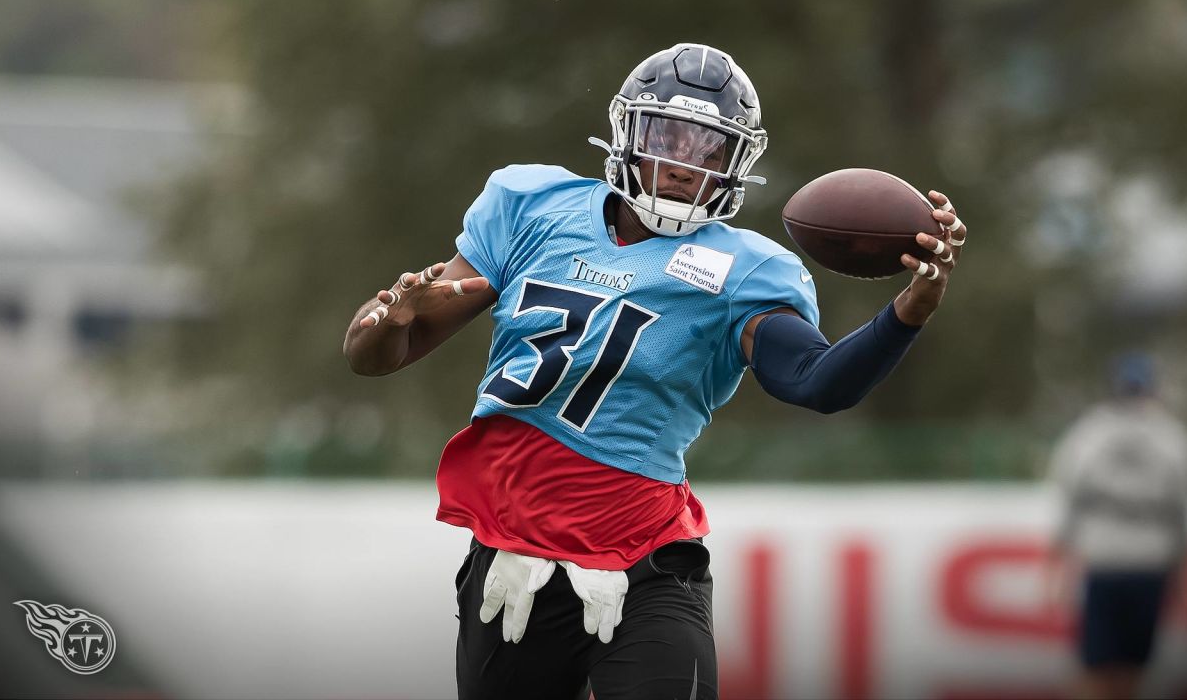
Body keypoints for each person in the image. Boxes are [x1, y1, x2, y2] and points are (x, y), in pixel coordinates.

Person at [342, 43, 967, 700]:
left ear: (735, 164)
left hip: (647, 562)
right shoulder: (530, 206)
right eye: (669, 136)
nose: (682, 164)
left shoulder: (742, 270)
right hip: (512, 551)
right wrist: (387, 320)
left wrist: (909, 310)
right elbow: (375, 356)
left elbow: (819, 382)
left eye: (708, 149)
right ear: (628, 132)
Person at [1047, 353, 1187, 700]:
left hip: (1106, 565)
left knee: (1097, 670)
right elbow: (1184, 515)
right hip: (1147, 567)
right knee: (1130, 671)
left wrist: (1055, 566)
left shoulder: (1090, 432)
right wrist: (1185, 574)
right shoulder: (1173, 436)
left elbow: (1068, 504)